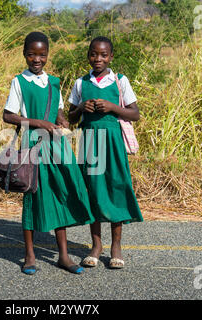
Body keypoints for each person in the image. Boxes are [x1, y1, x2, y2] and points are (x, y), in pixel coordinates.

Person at [2, 32, 94, 275]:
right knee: (32, 196)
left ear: (47, 56)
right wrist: (39, 123)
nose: (37, 59)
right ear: (24, 54)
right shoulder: (18, 82)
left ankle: (63, 255)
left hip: (56, 145)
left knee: (61, 193)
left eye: (42, 55)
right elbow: (8, 115)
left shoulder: (54, 82)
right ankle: (30, 255)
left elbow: (59, 112)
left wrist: (64, 122)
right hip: (33, 144)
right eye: (32, 54)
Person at [68, 36, 143, 269]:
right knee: (94, 191)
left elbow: (134, 114)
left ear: (110, 57)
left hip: (113, 143)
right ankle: (96, 245)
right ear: (88, 55)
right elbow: (70, 118)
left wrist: (112, 107)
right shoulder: (81, 83)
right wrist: (82, 107)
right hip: (90, 143)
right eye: (93, 54)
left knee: (116, 188)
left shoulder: (120, 81)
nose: (97, 59)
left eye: (103, 55)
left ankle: (116, 246)